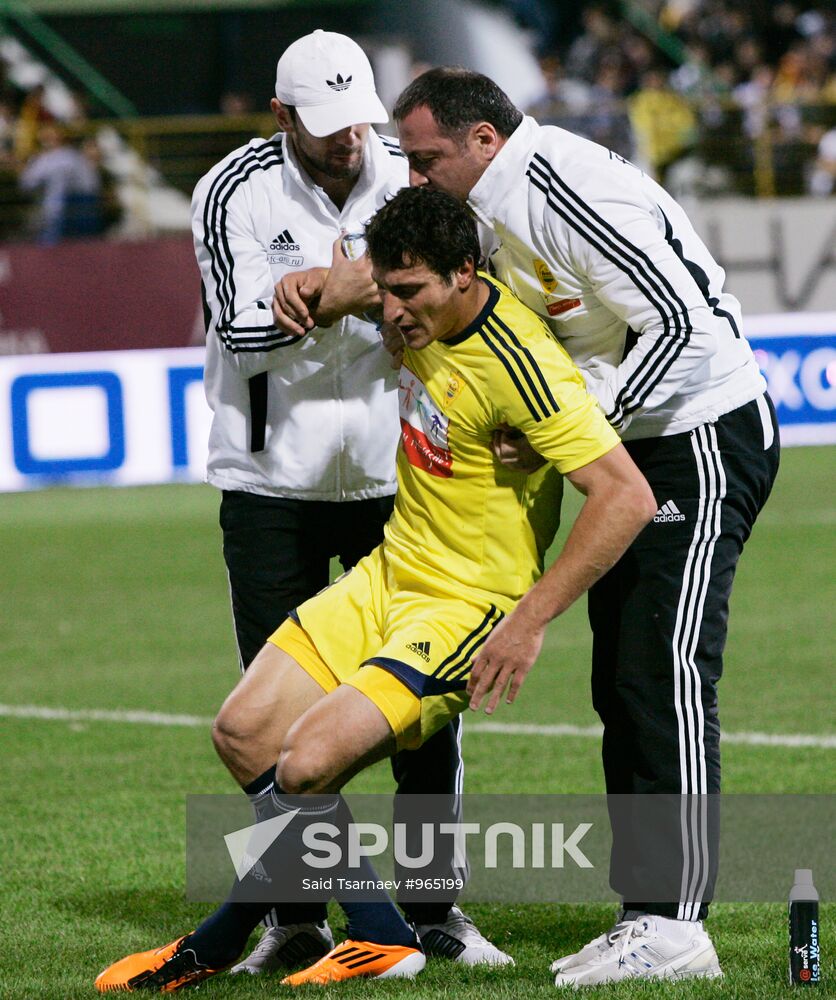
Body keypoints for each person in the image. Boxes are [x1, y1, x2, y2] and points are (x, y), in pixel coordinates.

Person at [94, 185, 655, 993]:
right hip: (388, 574)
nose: (391, 313)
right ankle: (383, 934)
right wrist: (309, 291)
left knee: (306, 764)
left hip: (468, 606)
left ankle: (232, 941)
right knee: (243, 733)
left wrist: (529, 622)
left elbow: (625, 497)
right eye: (384, 290)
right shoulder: (412, 306)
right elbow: (348, 290)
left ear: (466, 274)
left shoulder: (524, 366)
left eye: (408, 293)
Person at [391, 67, 780, 986]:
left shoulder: (566, 188)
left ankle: (675, 924)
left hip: (698, 436)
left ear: (483, 141)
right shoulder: (486, 203)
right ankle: (648, 913)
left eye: (426, 159)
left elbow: (682, 323)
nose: (415, 179)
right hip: (640, 446)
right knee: (624, 677)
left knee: (663, 667)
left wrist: (581, 434)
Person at [189, 31, 505, 975]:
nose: (349, 144)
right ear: (282, 116)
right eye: (324, 128)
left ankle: (435, 910)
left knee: (420, 712)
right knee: (272, 722)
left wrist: (325, 292)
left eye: (360, 122)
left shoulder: (410, 184)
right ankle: (296, 919)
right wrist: (348, 291)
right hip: (268, 489)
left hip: (395, 486)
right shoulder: (230, 191)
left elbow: (454, 301)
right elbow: (243, 329)